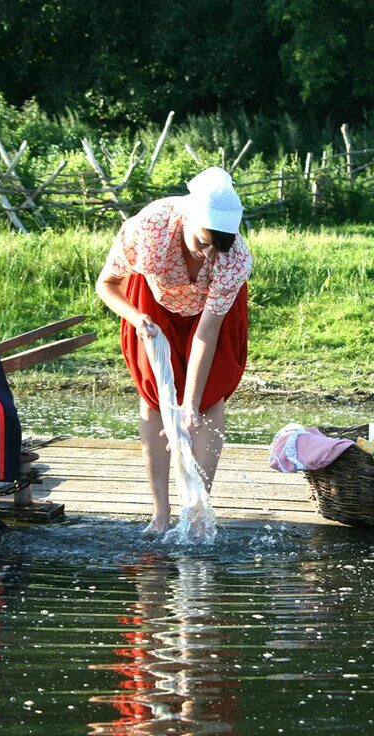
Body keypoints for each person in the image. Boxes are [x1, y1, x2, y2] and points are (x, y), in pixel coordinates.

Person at [96, 167, 252, 533]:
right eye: (203, 242)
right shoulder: (148, 229)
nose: (210, 253)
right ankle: (161, 513)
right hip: (152, 302)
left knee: (209, 397)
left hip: (209, 314)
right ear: (188, 218)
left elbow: (207, 332)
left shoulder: (234, 259)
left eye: (220, 244)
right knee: (153, 397)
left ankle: (199, 511)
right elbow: (107, 284)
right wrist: (136, 318)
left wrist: (190, 405)